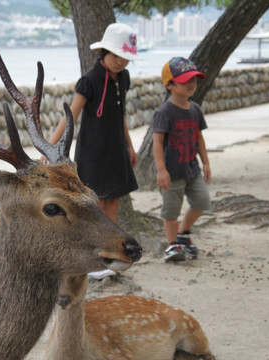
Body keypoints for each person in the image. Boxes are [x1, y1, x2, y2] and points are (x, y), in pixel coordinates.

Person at [46, 23, 140, 223]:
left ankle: (113, 246)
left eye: (125, 58)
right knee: (94, 202)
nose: (120, 62)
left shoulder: (124, 78)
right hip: (93, 152)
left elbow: (119, 114)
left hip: (116, 150)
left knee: (113, 201)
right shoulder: (89, 81)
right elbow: (71, 114)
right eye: (115, 56)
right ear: (103, 52)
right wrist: (49, 147)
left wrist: (130, 146)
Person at [152, 57, 212, 262]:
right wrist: (161, 170)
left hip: (192, 169)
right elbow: (157, 143)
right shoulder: (164, 111)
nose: (191, 84)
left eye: (194, 80)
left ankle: (183, 233)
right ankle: (172, 245)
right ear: (169, 84)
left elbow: (199, 137)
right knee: (171, 210)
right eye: (185, 80)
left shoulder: (195, 109)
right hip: (171, 172)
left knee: (202, 201)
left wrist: (206, 162)